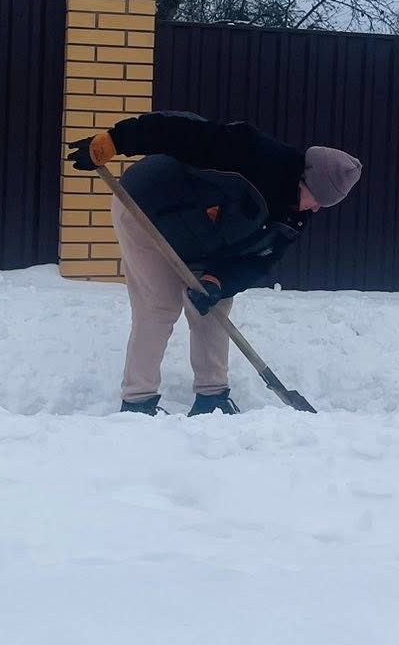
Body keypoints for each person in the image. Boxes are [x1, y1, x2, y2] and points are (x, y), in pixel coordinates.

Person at [68, 111, 362, 416]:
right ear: (303, 178)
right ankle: (137, 401)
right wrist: (115, 141)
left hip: (203, 237)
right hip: (146, 207)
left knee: (213, 305)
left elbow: (258, 261)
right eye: (317, 197)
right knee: (159, 305)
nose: (316, 208)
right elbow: (176, 131)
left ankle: (212, 397)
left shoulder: (294, 217)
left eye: (324, 204)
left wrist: (218, 281)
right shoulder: (251, 153)